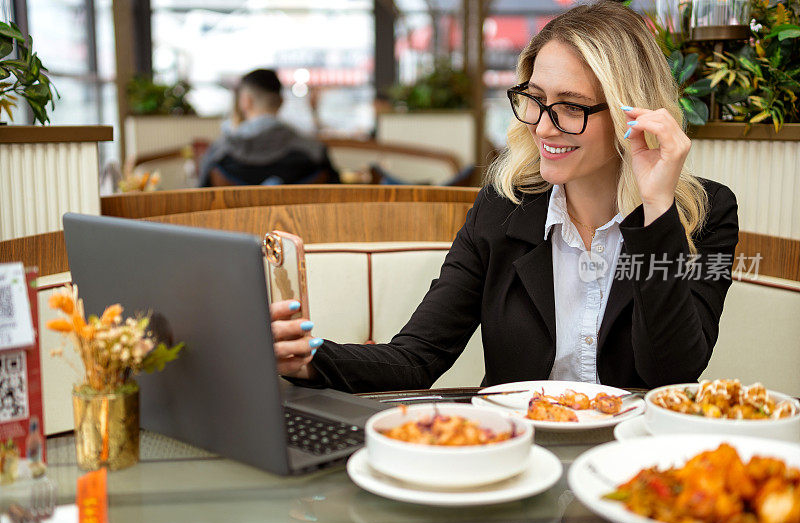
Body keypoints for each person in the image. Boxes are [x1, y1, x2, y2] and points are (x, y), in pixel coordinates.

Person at [269, 1, 739, 392]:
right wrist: (309, 358)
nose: (541, 125)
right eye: (534, 98)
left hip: (635, 465)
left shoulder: (706, 215)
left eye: (570, 107)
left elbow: (673, 376)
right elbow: (418, 357)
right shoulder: (502, 209)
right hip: (520, 460)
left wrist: (656, 210)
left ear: (629, 114)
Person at [198, 69, 338, 187]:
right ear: (282, 101)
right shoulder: (314, 152)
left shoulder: (219, 153)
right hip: (297, 219)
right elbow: (337, 196)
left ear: (246, 101)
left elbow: (201, 201)